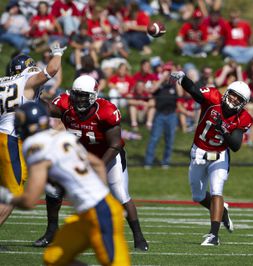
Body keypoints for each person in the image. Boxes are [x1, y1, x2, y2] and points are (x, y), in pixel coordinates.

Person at [0, 102, 131, 266]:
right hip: (89, 212)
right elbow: (97, 164)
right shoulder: (63, 136)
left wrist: (6, 196)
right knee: (54, 259)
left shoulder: (34, 146)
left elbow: (29, 201)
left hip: (101, 212)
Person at [35, 75, 149, 251]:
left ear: (93, 96)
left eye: (84, 95)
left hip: (108, 156)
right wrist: (35, 96)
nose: (79, 99)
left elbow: (115, 144)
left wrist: (99, 167)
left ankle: (139, 238)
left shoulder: (106, 111)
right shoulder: (66, 104)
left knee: (120, 194)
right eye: (77, 95)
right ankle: (51, 232)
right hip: (80, 156)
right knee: (53, 188)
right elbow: (49, 109)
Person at [170, 70, 253, 246]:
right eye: (232, 95)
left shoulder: (242, 117)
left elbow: (236, 145)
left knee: (217, 190)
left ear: (243, 103)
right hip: (199, 152)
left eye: (239, 99)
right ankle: (222, 210)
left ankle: (213, 235)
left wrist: (224, 129)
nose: (234, 100)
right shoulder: (213, 98)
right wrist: (183, 78)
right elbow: (193, 90)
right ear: (226, 93)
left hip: (220, 155)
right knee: (198, 196)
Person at [0, 42, 66, 226]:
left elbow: (40, 105)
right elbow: (52, 69)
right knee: (13, 195)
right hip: (11, 140)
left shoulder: (3, 83)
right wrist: (58, 52)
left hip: (6, 137)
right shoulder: (25, 81)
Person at [144, 63, 182, 168]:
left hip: (172, 115)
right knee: (154, 138)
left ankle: (166, 162)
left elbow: (180, 94)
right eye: (166, 70)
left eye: (169, 71)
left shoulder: (174, 85)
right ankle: (148, 162)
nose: (168, 73)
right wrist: (162, 79)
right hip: (159, 115)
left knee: (169, 140)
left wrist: (176, 78)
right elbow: (151, 90)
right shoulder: (159, 85)